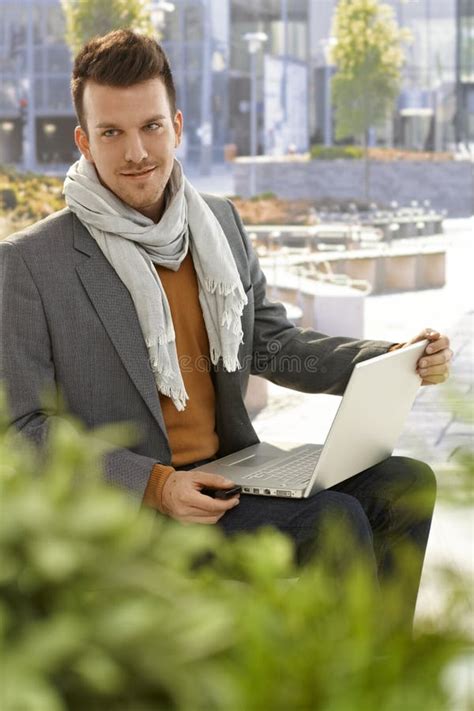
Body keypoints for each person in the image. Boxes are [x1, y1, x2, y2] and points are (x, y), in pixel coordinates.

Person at [0, 30, 452, 629]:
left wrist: (391, 357)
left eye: (151, 127)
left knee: (406, 482)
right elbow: (23, 428)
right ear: (84, 141)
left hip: (233, 473)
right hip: (137, 504)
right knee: (333, 521)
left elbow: (271, 345)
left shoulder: (217, 223)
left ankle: (384, 675)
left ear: (178, 126)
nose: (137, 150)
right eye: (112, 132)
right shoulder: (31, 263)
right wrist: (154, 485)